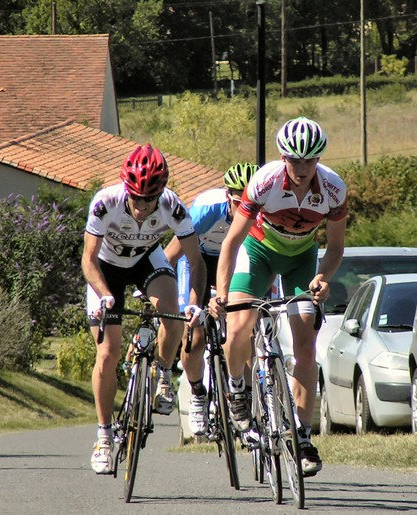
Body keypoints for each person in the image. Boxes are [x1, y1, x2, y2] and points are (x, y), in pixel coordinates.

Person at [209, 116, 348, 477]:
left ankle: (302, 435)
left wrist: (322, 278)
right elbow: (232, 241)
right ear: (283, 157)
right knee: (239, 325)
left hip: (302, 260)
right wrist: (222, 294)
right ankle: (237, 389)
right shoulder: (265, 181)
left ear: (319, 159)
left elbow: (335, 248)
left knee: (305, 342)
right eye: (294, 160)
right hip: (257, 253)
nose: (301, 168)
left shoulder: (334, 190)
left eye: (309, 161)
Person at [82, 143, 205, 474]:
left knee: (174, 314)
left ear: (161, 192)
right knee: (108, 352)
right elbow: (88, 260)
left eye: (148, 199)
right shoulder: (105, 202)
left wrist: (194, 305)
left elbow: (195, 261)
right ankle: (104, 437)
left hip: (145, 260)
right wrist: (105, 295)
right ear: (126, 188)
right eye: (135, 197)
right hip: (105, 269)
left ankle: (163, 371)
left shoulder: (173, 207)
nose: (141, 205)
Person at [176, 162, 259, 435]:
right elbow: (175, 252)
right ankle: (198, 393)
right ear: (227, 197)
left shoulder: (260, 214)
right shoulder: (207, 210)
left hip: (233, 261)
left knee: (243, 329)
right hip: (197, 262)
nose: (243, 209)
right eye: (238, 202)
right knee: (194, 333)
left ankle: (242, 395)